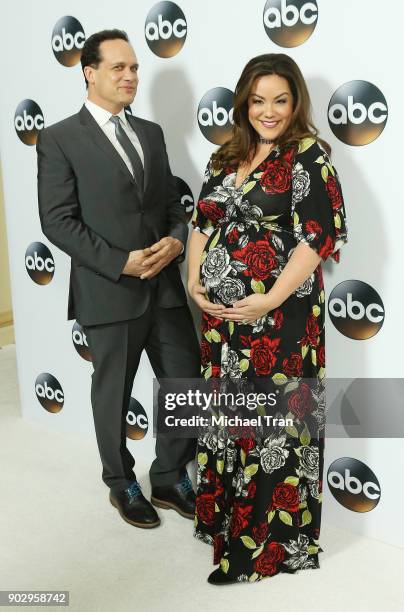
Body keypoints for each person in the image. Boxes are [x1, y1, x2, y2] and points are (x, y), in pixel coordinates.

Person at [188, 53, 348, 584]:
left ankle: (262, 548)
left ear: (295, 101)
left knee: (273, 428)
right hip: (224, 324)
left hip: (281, 323)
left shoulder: (308, 158)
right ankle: (228, 525)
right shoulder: (223, 156)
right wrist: (194, 279)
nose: (269, 111)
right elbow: (201, 223)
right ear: (244, 102)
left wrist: (269, 299)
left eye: (280, 100)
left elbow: (314, 240)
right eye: (259, 100)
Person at [37, 29, 200, 529]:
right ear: (89, 72)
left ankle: (170, 475)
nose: (130, 76)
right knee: (112, 392)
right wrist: (119, 262)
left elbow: (173, 204)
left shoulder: (150, 132)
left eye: (134, 68)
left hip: (165, 287)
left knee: (186, 382)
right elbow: (57, 220)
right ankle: (120, 482)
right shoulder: (60, 137)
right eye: (118, 68)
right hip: (109, 290)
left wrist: (176, 239)